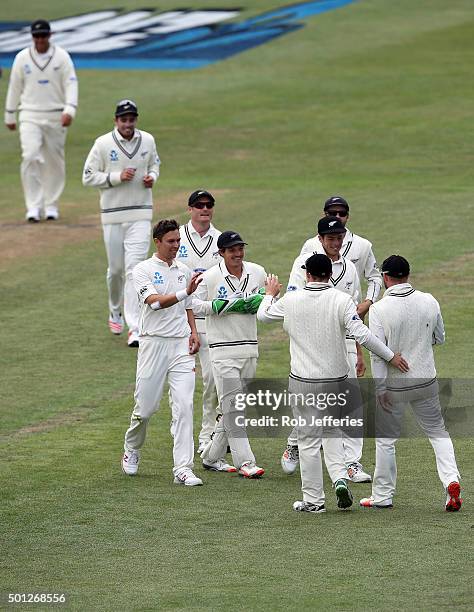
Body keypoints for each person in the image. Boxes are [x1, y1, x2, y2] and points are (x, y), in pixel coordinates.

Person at [257, 254, 409, 513]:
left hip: (303, 382)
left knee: (307, 442)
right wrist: (390, 356)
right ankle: (339, 478)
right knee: (332, 433)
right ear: (330, 274)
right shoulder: (342, 300)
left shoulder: (291, 300)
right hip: (336, 381)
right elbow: (363, 334)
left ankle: (314, 501)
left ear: (307, 275)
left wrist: (270, 293)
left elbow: (263, 315)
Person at [360, 255, 462, 511]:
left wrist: (380, 388)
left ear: (385, 278)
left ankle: (383, 496)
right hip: (426, 380)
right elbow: (439, 338)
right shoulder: (429, 300)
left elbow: (378, 354)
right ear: (408, 275)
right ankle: (451, 480)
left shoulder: (379, 309)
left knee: (385, 440)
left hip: (394, 387)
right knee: (438, 433)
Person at [282, 217, 372, 483]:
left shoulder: (350, 269)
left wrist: (358, 350)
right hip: (312, 342)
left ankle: (352, 463)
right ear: (320, 239)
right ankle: (294, 443)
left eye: (339, 237)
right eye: (330, 238)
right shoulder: (303, 265)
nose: (335, 243)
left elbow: (354, 313)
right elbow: (293, 302)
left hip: (343, 339)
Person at [121, 219, 203, 486]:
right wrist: (184, 292)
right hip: (153, 343)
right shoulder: (142, 269)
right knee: (145, 409)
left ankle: (183, 468)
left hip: (180, 345)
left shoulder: (184, 269)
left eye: (178, 240)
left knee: (184, 405)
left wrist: (193, 332)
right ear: (157, 241)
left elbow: (188, 305)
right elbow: (154, 303)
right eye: (170, 241)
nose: (176, 245)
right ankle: (132, 447)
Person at [82, 99, 160, 347]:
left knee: (134, 270)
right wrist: (116, 177)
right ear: (116, 121)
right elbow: (87, 176)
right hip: (113, 214)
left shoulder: (147, 140)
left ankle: (135, 327)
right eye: (123, 119)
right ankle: (114, 310)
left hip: (140, 212)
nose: (128, 123)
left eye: (132, 119)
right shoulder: (103, 144)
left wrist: (152, 177)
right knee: (115, 271)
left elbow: (155, 163)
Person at [193, 231, 267, 477]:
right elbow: (193, 305)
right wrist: (221, 306)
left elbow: (268, 300)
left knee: (234, 406)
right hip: (222, 350)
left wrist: (263, 299)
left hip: (249, 347)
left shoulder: (257, 272)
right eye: (232, 250)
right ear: (221, 253)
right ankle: (246, 462)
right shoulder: (211, 277)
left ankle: (211, 457)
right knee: (235, 408)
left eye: (240, 248)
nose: (237, 253)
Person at [4, 19, 78, 222]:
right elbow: (15, 87)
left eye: (43, 35)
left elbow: (71, 84)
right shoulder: (22, 58)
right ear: (32, 37)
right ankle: (33, 207)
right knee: (30, 155)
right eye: (37, 36)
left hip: (56, 114)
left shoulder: (62, 57)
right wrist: (9, 114)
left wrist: (69, 109)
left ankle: (51, 205)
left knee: (54, 161)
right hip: (29, 114)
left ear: (50, 35)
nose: (40, 40)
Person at [175, 190, 221, 453]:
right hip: (178, 319)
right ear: (190, 209)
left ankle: (210, 434)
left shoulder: (220, 239)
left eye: (208, 205)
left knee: (213, 380)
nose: (204, 209)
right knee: (181, 385)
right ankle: (180, 434)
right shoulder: (176, 237)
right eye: (199, 205)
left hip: (208, 318)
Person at [300, 196, 383, 318]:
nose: (337, 216)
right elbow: (302, 277)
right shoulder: (310, 245)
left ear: (348, 216)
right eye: (333, 213)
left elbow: (375, 277)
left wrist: (368, 302)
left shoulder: (363, 245)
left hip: (351, 314)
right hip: (316, 312)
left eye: (342, 213)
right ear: (324, 215)